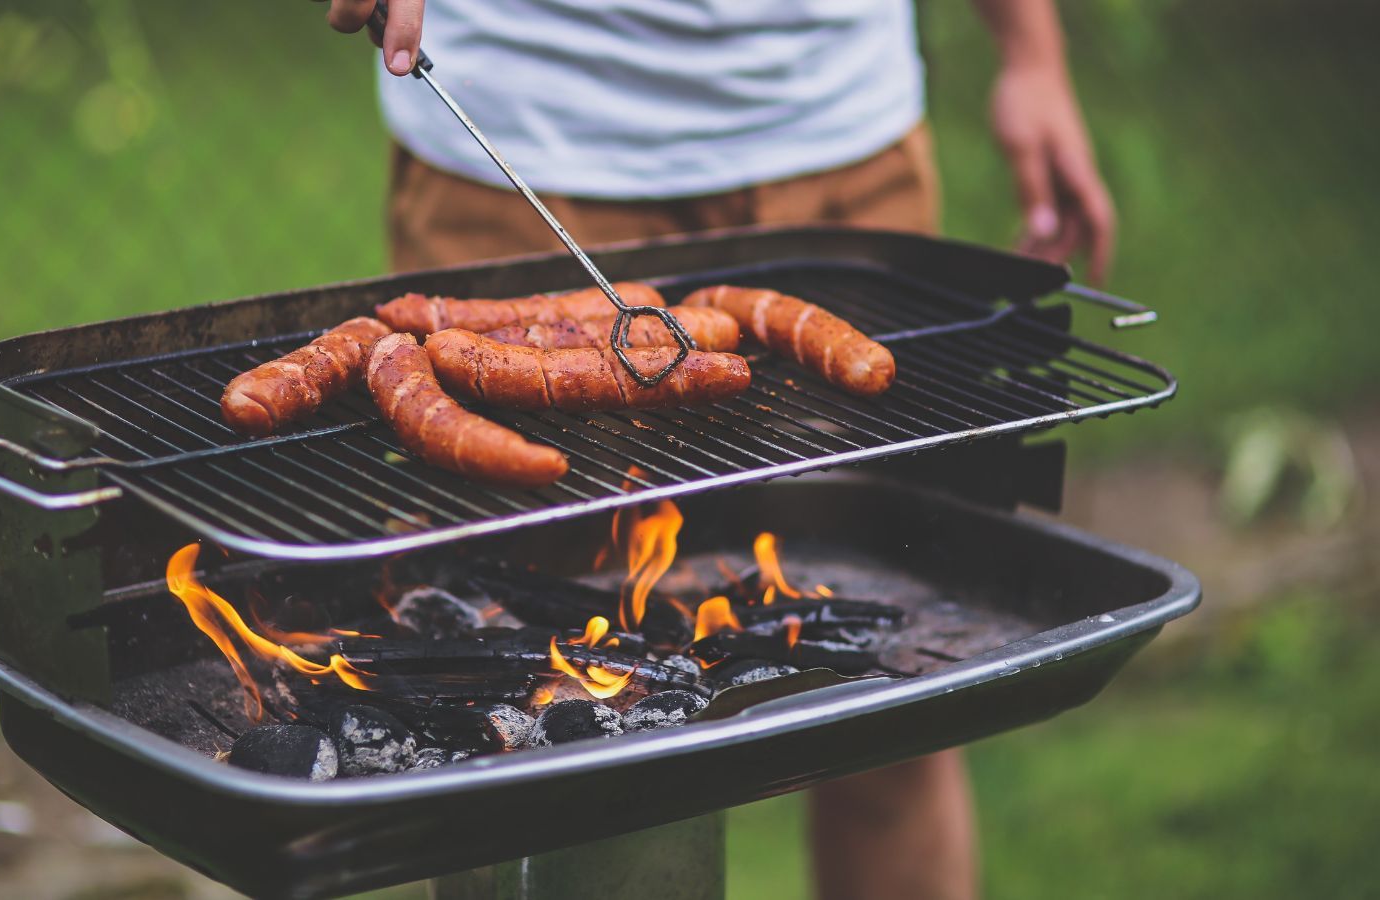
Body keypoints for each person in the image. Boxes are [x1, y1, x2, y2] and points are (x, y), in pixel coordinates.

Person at [314, 2, 1115, 896]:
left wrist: (1031, 50)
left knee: (893, 697)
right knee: (533, 715)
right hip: (519, 136)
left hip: (844, 139)